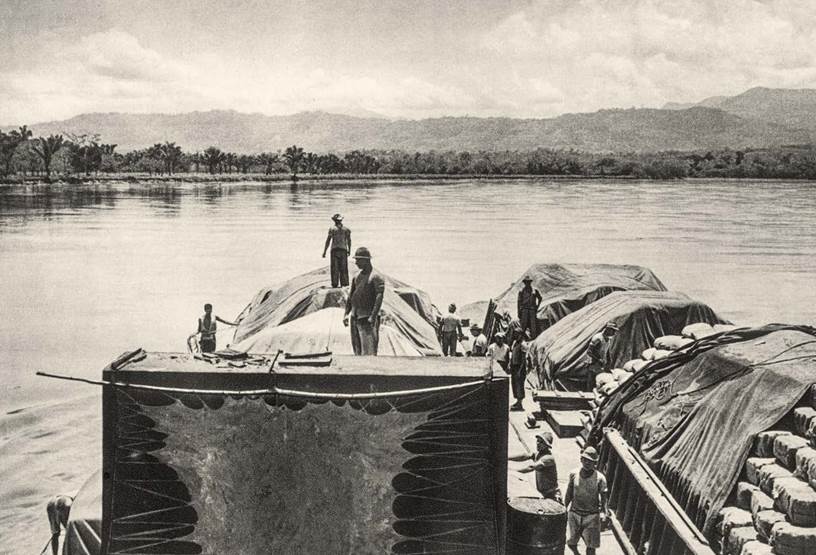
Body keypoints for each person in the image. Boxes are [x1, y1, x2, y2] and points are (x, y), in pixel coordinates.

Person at [564, 447, 610, 555]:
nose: (587, 462)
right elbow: (569, 493)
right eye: (584, 459)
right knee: (572, 542)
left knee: (591, 547)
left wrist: (605, 513)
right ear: (581, 459)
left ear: (595, 463)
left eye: (590, 461)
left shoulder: (600, 478)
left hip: (591, 517)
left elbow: (604, 497)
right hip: (574, 514)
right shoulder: (573, 474)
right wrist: (564, 507)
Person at [343, 247, 385, 355]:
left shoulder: (376, 277)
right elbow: (351, 296)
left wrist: (373, 316)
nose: (356, 262)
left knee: (369, 352)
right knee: (357, 351)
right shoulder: (356, 276)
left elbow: (379, 298)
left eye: (358, 260)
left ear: (366, 260)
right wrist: (346, 314)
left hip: (367, 318)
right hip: (355, 317)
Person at [510, 432, 561, 501]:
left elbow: (531, 467)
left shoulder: (548, 458)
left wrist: (512, 472)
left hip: (552, 495)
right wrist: (507, 457)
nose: (538, 443)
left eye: (541, 442)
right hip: (543, 493)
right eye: (538, 441)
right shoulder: (538, 454)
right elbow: (524, 456)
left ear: (547, 445)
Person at [585, 322, 619, 390]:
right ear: (608, 329)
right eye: (613, 330)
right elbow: (589, 351)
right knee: (591, 384)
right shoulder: (598, 338)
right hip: (593, 364)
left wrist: (609, 359)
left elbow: (607, 350)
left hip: (600, 365)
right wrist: (598, 360)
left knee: (599, 383)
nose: (614, 333)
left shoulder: (608, 339)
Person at [322, 213, 352, 287]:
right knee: (344, 268)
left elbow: (328, 241)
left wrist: (324, 251)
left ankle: (335, 284)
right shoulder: (346, 229)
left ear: (334, 221)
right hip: (343, 250)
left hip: (335, 250)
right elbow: (349, 241)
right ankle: (344, 284)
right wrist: (349, 250)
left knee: (335, 268)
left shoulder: (332, 229)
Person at [509, 331, 530, 410]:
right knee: (514, 384)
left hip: (519, 367)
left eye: (517, 334)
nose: (515, 335)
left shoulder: (523, 344)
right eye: (515, 334)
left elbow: (523, 359)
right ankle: (517, 401)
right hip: (514, 366)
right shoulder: (515, 343)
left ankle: (520, 403)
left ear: (521, 335)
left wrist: (520, 370)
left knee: (519, 385)